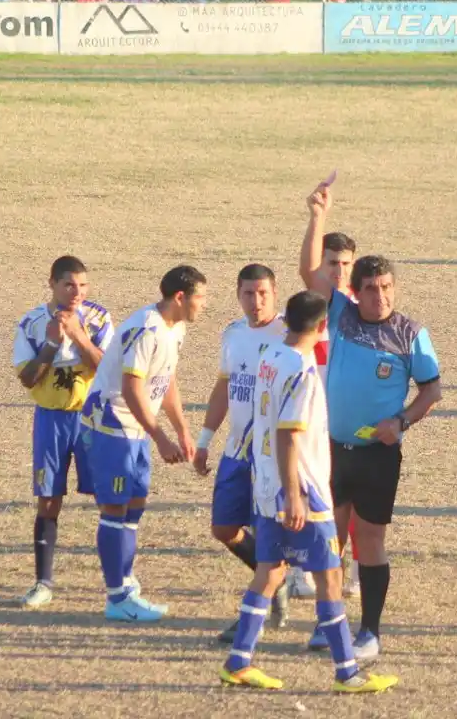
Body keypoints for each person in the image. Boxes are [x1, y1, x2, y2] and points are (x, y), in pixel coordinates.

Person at [217, 290, 398, 695]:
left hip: (268, 487)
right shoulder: (302, 371)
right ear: (321, 327)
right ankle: (347, 673)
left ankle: (238, 662)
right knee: (330, 577)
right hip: (301, 491)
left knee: (270, 572)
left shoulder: (270, 357)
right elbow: (288, 435)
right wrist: (295, 495)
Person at [297, 179, 443, 662]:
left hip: (378, 455)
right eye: (371, 289)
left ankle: (370, 632)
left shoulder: (411, 334)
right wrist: (318, 215)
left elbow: (432, 391)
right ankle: (328, 622)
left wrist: (400, 422)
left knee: (370, 540)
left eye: (386, 288)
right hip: (333, 450)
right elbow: (308, 271)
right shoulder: (340, 314)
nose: (380, 296)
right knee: (329, 539)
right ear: (354, 292)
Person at [82, 266, 206, 622]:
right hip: (113, 423)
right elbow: (132, 388)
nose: (203, 304)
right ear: (180, 297)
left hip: (135, 426)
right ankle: (117, 597)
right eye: (200, 297)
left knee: (135, 502)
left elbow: (166, 379)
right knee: (115, 506)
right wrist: (161, 437)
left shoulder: (175, 328)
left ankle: (125, 580)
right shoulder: (146, 329)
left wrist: (182, 429)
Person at [12, 257, 114, 608]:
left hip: (91, 420)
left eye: (83, 285)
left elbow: (108, 368)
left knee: (107, 500)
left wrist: (79, 337)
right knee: (48, 499)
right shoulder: (32, 323)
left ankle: (118, 582)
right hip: (51, 420)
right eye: (69, 285)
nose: (77, 292)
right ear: (52, 284)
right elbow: (27, 379)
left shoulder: (99, 319)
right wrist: (52, 345)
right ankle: (43, 583)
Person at [194, 264, 289, 642]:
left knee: (267, 533)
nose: (256, 301)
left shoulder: (289, 334)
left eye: (263, 293)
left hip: (271, 455)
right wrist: (204, 439)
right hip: (236, 450)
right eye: (249, 293)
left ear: (275, 293)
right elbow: (224, 387)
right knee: (224, 528)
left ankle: (258, 609)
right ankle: (276, 579)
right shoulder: (233, 333)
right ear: (238, 295)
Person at [297, 179, 359, 602]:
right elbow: (308, 271)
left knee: (349, 498)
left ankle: (349, 568)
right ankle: (308, 568)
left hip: (349, 413)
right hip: (314, 413)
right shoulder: (321, 301)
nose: (339, 271)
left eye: (345, 264)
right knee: (315, 491)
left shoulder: (360, 303)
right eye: (332, 263)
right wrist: (318, 216)